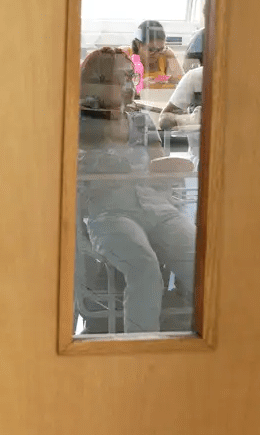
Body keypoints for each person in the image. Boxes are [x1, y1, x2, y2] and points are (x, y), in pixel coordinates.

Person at [78, 47, 195, 334]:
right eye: (122, 78)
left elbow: (157, 166)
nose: (130, 85)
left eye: (132, 76)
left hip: (155, 208)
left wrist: (172, 169)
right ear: (100, 81)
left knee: (200, 260)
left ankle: (195, 338)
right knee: (144, 268)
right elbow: (75, 175)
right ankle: (142, 346)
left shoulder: (141, 122)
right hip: (109, 213)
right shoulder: (80, 125)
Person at [125, 20, 183, 95]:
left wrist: (173, 80)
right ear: (139, 45)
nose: (157, 54)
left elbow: (181, 85)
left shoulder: (166, 54)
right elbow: (116, 89)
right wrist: (139, 86)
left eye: (160, 49)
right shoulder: (126, 55)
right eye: (151, 50)